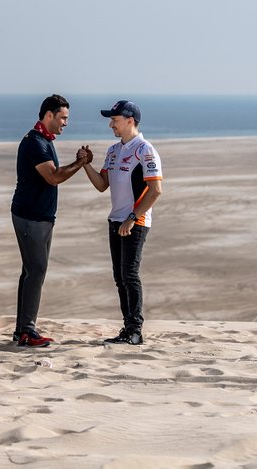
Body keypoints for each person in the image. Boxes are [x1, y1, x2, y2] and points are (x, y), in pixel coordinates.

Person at [81, 100, 163, 345]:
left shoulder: (145, 150)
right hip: (115, 220)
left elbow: (155, 190)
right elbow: (101, 185)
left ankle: (135, 331)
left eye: (114, 120)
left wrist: (132, 217)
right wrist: (86, 164)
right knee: (119, 277)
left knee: (130, 274)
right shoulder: (113, 151)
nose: (110, 125)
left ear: (130, 121)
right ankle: (127, 329)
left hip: (135, 222)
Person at [11, 94, 89, 347]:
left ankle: (22, 330)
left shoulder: (44, 140)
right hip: (30, 217)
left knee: (32, 271)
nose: (65, 123)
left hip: (40, 217)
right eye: (63, 118)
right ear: (49, 115)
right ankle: (26, 332)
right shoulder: (35, 143)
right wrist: (80, 162)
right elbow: (53, 177)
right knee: (36, 270)